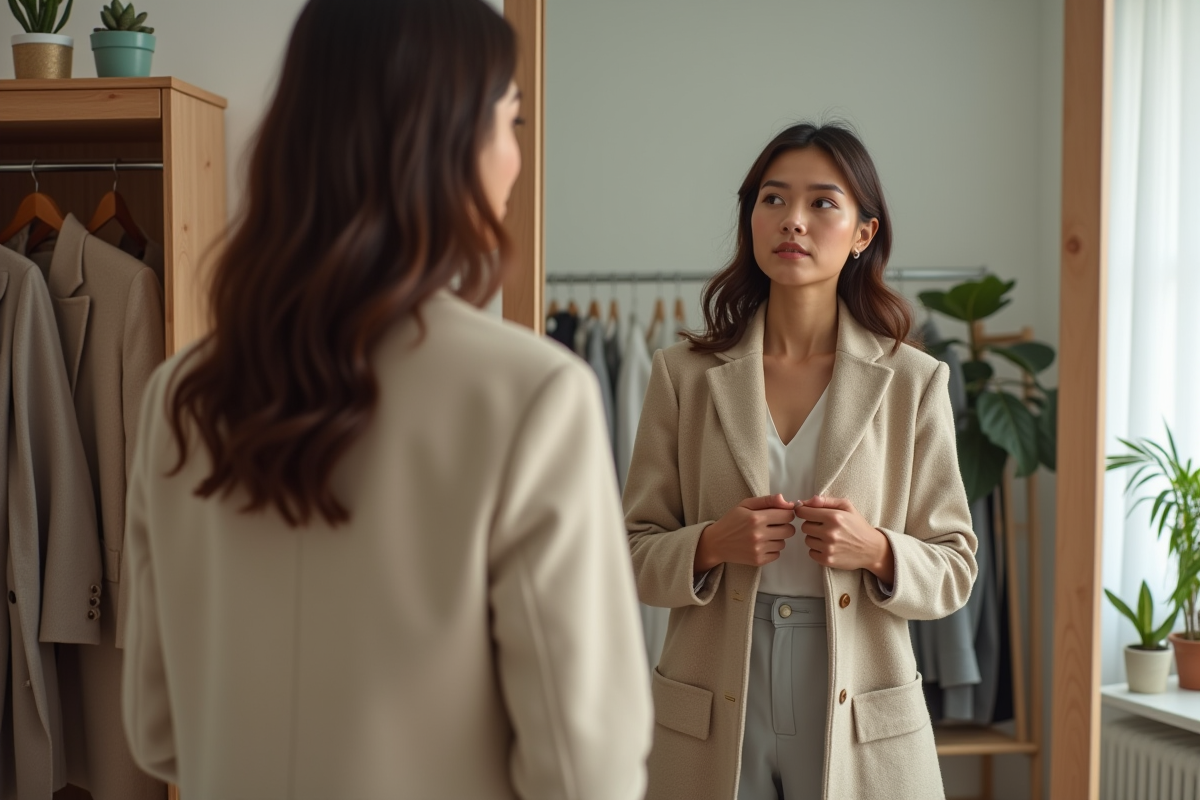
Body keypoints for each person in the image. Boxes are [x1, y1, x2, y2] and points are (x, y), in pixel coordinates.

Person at [120, 1, 652, 798]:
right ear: (446, 140)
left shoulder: (182, 396)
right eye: (511, 122)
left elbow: (155, 729)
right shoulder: (533, 396)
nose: (516, 157)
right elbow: (585, 770)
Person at [623, 122, 977, 800]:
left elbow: (957, 565)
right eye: (773, 199)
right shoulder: (682, 375)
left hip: (857, 695)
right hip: (716, 686)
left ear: (863, 233)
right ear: (751, 218)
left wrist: (877, 549)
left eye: (822, 202)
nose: (793, 221)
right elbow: (631, 553)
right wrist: (709, 544)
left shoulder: (913, 381)